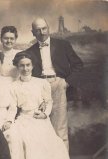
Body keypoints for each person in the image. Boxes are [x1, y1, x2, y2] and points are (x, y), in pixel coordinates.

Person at [5, 52, 70, 159]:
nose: (25, 68)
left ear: (32, 66)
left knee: (45, 143)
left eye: (28, 65)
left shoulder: (42, 83)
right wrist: (9, 121)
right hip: (23, 119)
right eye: (21, 65)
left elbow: (49, 101)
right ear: (17, 67)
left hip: (39, 118)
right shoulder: (13, 86)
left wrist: (45, 114)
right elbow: (12, 107)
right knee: (17, 139)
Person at [24, 17, 83, 149]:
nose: (42, 32)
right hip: (38, 87)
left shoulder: (63, 45)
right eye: (38, 30)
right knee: (41, 126)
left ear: (48, 28)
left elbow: (78, 65)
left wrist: (66, 82)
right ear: (33, 33)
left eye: (44, 28)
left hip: (58, 84)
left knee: (60, 127)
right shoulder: (29, 52)